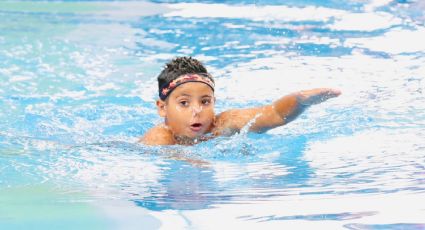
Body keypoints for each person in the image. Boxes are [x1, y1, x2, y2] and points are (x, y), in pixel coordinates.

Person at [140, 56, 341, 146]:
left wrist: (301, 100)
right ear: (162, 108)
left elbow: (275, 113)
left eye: (205, 101)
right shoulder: (160, 138)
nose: (197, 111)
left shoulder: (223, 122)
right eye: (184, 103)